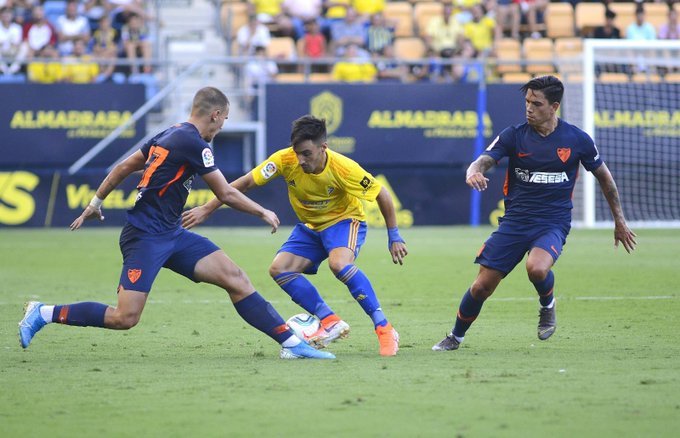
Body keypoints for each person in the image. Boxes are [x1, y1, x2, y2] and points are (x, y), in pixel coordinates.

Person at [18, 87, 334, 360]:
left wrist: (95, 202)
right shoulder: (195, 143)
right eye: (224, 120)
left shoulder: (170, 133)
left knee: (236, 278)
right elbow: (224, 192)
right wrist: (262, 211)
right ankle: (43, 313)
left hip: (172, 233)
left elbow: (124, 166)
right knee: (125, 317)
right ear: (216, 114)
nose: (222, 128)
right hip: (144, 237)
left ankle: (291, 344)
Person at [432, 76, 637, 352]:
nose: (529, 108)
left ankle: (547, 304)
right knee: (482, 286)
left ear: (554, 107)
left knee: (537, 268)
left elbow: (605, 178)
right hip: (515, 222)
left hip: (552, 221)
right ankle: (455, 337)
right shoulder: (513, 135)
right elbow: (484, 159)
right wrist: (473, 171)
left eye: (536, 103)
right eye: (527, 102)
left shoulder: (577, 139)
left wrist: (619, 220)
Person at [182, 115, 408, 356]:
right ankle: (329, 321)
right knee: (280, 269)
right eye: (297, 152)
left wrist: (393, 235)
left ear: (324, 147)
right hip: (310, 226)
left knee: (339, 264)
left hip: (343, 221)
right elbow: (245, 183)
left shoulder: (344, 168)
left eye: (307, 154)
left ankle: (384, 328)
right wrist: (206, 208)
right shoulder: (284, 159)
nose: (300, 160)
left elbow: (381, 193)